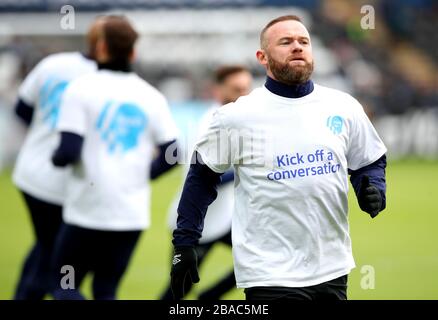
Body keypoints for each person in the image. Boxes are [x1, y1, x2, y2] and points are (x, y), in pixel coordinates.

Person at [170, 15, 387, 301]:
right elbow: (201, 178)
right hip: (270, 273)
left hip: (332, 266)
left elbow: (369, 160)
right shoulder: (236, 116)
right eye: (286, 42)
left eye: (303, 42)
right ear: (263, 56)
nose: (297, 47)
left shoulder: (343, 106)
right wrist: (185, 243)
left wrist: (372, 187)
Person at [49, 15, 179, 300]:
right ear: (133, 52)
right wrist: (141, 175)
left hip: (87, 209)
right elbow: (173, 153)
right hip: (130, 213)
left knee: (63, 285)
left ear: (101, 47)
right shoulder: (151, 95)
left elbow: (68, 151)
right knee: (105, 289)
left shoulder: (79, 89)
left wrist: (55, 159)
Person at [11, 17, 104, 300]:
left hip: (30, 173)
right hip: (63, 181)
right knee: (61, 259)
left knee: (45, 245)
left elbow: (21, 111)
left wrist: (47, 131)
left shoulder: (53, 63)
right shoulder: (107, 81)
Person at [161, 65, 252, 300]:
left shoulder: (236, 121)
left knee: (259, 259)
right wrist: (249, 170)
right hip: (197, 222)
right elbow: (210, 177)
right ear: (218, 90)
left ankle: (209, 299)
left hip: (223, 219)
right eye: (236, 89)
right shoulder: (210, 124)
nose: (243, 95)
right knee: (180, 289)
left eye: (246, 89)